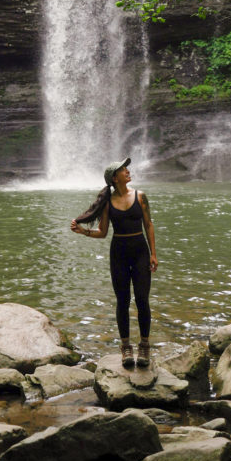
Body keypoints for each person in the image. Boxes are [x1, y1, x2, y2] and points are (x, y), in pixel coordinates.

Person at [70, 157, 158, 369]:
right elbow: (102, 232)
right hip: (118, 253)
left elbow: (149, 225)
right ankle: (126, 347)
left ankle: (144, 346)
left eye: (127, 169)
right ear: (114, 178)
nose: (127, 171)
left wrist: (154, 254)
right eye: (123, 170)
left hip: (140, 252)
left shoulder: (141, 196)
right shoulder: (108, 203)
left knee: (142, 299)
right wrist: (83, 231)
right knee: (122, 300)